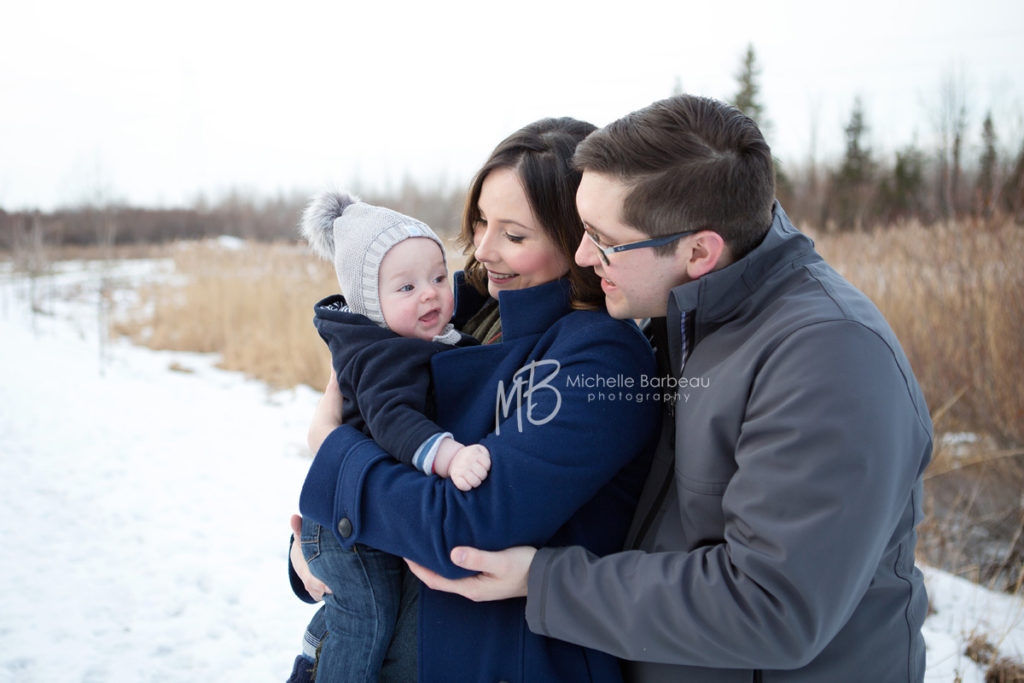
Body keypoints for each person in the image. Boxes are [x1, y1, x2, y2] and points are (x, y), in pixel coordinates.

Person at [407, 95, 933, 682]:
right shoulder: (679, 309)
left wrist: (545, 581)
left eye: (603, 239)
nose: (582, 255)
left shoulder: (830, 358)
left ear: (698, 250)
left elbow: (771, 607)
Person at [291, 117, 662, 682]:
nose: (483, 249)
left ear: (578, 240)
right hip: (383, 646)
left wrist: (332, 455)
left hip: (495, 659)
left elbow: (465, 527)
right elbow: (376, 434)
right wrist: (316, 553)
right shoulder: (453, 309)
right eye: (481, 221)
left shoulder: (601, 360)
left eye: (515, 235)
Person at [288, 193, 491, 682]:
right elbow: (395, 422)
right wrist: (449, 456)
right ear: (368, 304)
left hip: (355, 515)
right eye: (407, 287)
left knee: (367, 613)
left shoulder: (426, 336)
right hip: (346, 526)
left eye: (439, 278)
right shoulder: (384, 354)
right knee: (364, 618)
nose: (431, 294)